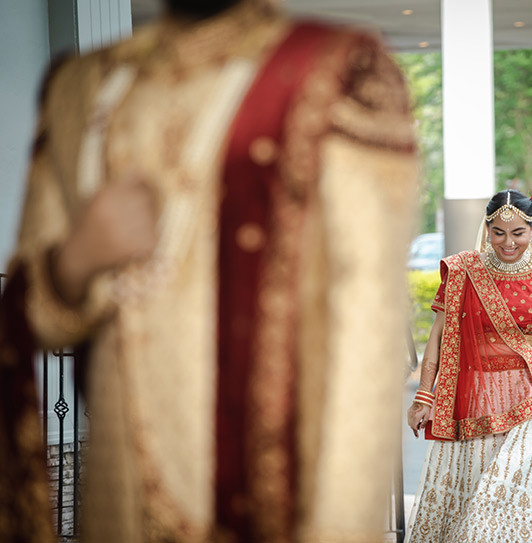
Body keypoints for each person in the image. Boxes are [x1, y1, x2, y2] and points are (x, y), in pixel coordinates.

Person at [0, 0, 418, 541]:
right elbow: (37, 320)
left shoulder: (339, 71)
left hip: (276, 486)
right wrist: (77, 259)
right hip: (119, 489)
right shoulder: (81, 85)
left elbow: (367, 339)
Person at [405, 189, 532, 542]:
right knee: (473, 500)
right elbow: (438, 337)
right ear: (487, 229)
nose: (507, 242)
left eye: (517, 233)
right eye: (498, 232)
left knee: (518, 501)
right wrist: (424, 396)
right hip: (476, 398)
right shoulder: (464, 270)